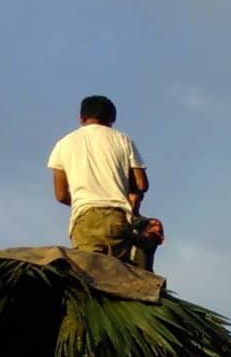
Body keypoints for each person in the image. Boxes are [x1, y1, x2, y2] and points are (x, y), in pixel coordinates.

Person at [48, 95, 163, 269]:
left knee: (90, 277)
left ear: (81, 118)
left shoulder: (63, 144)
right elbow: (141, 184)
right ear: (111, 120)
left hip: (84, 220)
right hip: (118, 218)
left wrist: (88, 198)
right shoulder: (123, 139)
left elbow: (61, 195)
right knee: (118, 276)